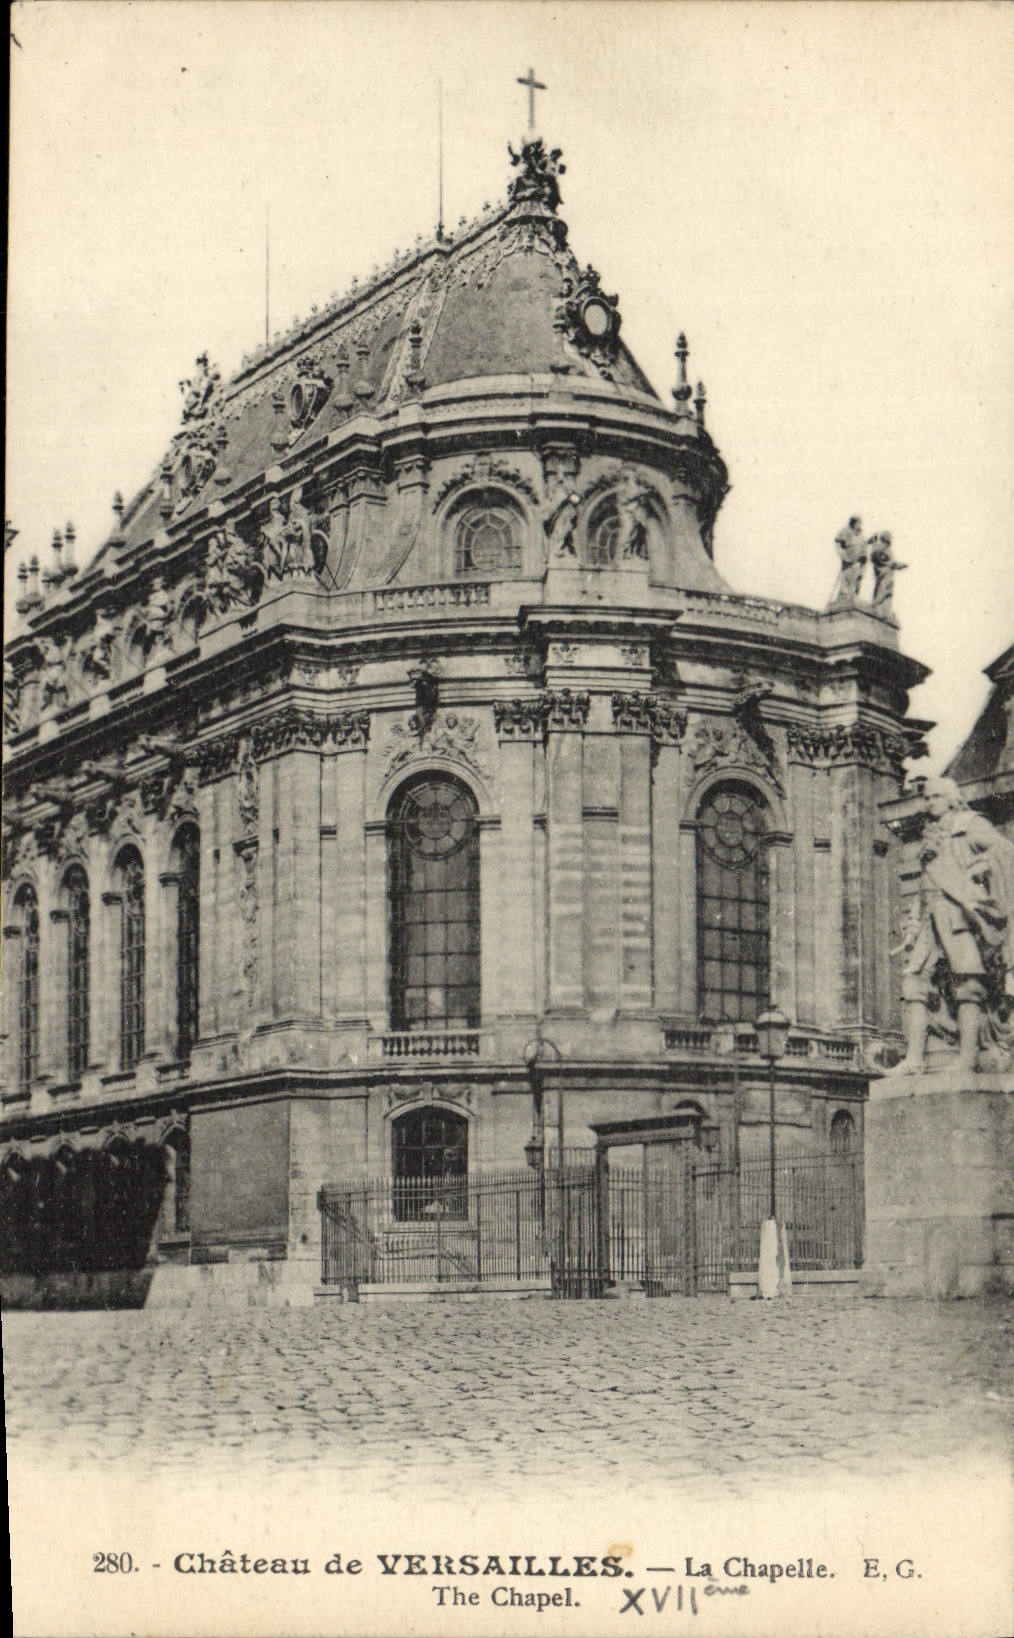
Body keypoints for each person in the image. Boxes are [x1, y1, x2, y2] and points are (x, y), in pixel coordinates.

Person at [895, 777, 1014, 1072]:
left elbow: (1005, 852)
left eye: (936, 796)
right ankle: (913, 1059)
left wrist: (978, 869)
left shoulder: (970, 824)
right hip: (930, 917)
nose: (929, 802)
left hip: (958, 915)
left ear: (951, 798)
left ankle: (966, 1059)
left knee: (967, 982)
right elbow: (926, 883)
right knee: (914, 982)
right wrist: (912, 924)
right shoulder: (931, 834)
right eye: (927, 797)